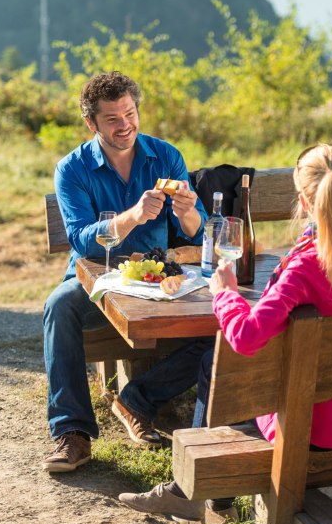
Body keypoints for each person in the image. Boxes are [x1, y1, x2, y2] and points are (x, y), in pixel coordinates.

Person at [118, 143, 332, 524]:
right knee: (224, 364)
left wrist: (225, 294)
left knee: (217, 363)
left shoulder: (308, 266)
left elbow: (245, 338)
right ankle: (202, 492)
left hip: (310, 422)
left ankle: (199, 494)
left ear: (303, 202)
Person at [42, 71, 210, 472]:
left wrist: (187, 212)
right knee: (58, 307)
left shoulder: (165, 155)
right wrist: (132, 217)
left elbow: (198, 229)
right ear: (92, 123)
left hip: (159, 274)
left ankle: (138, 399)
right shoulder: (72, 169)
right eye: (113, 119)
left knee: (224, 320)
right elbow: (82, 239)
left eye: (130, 113)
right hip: (100, 275)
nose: (125, 125)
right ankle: (73, 433)